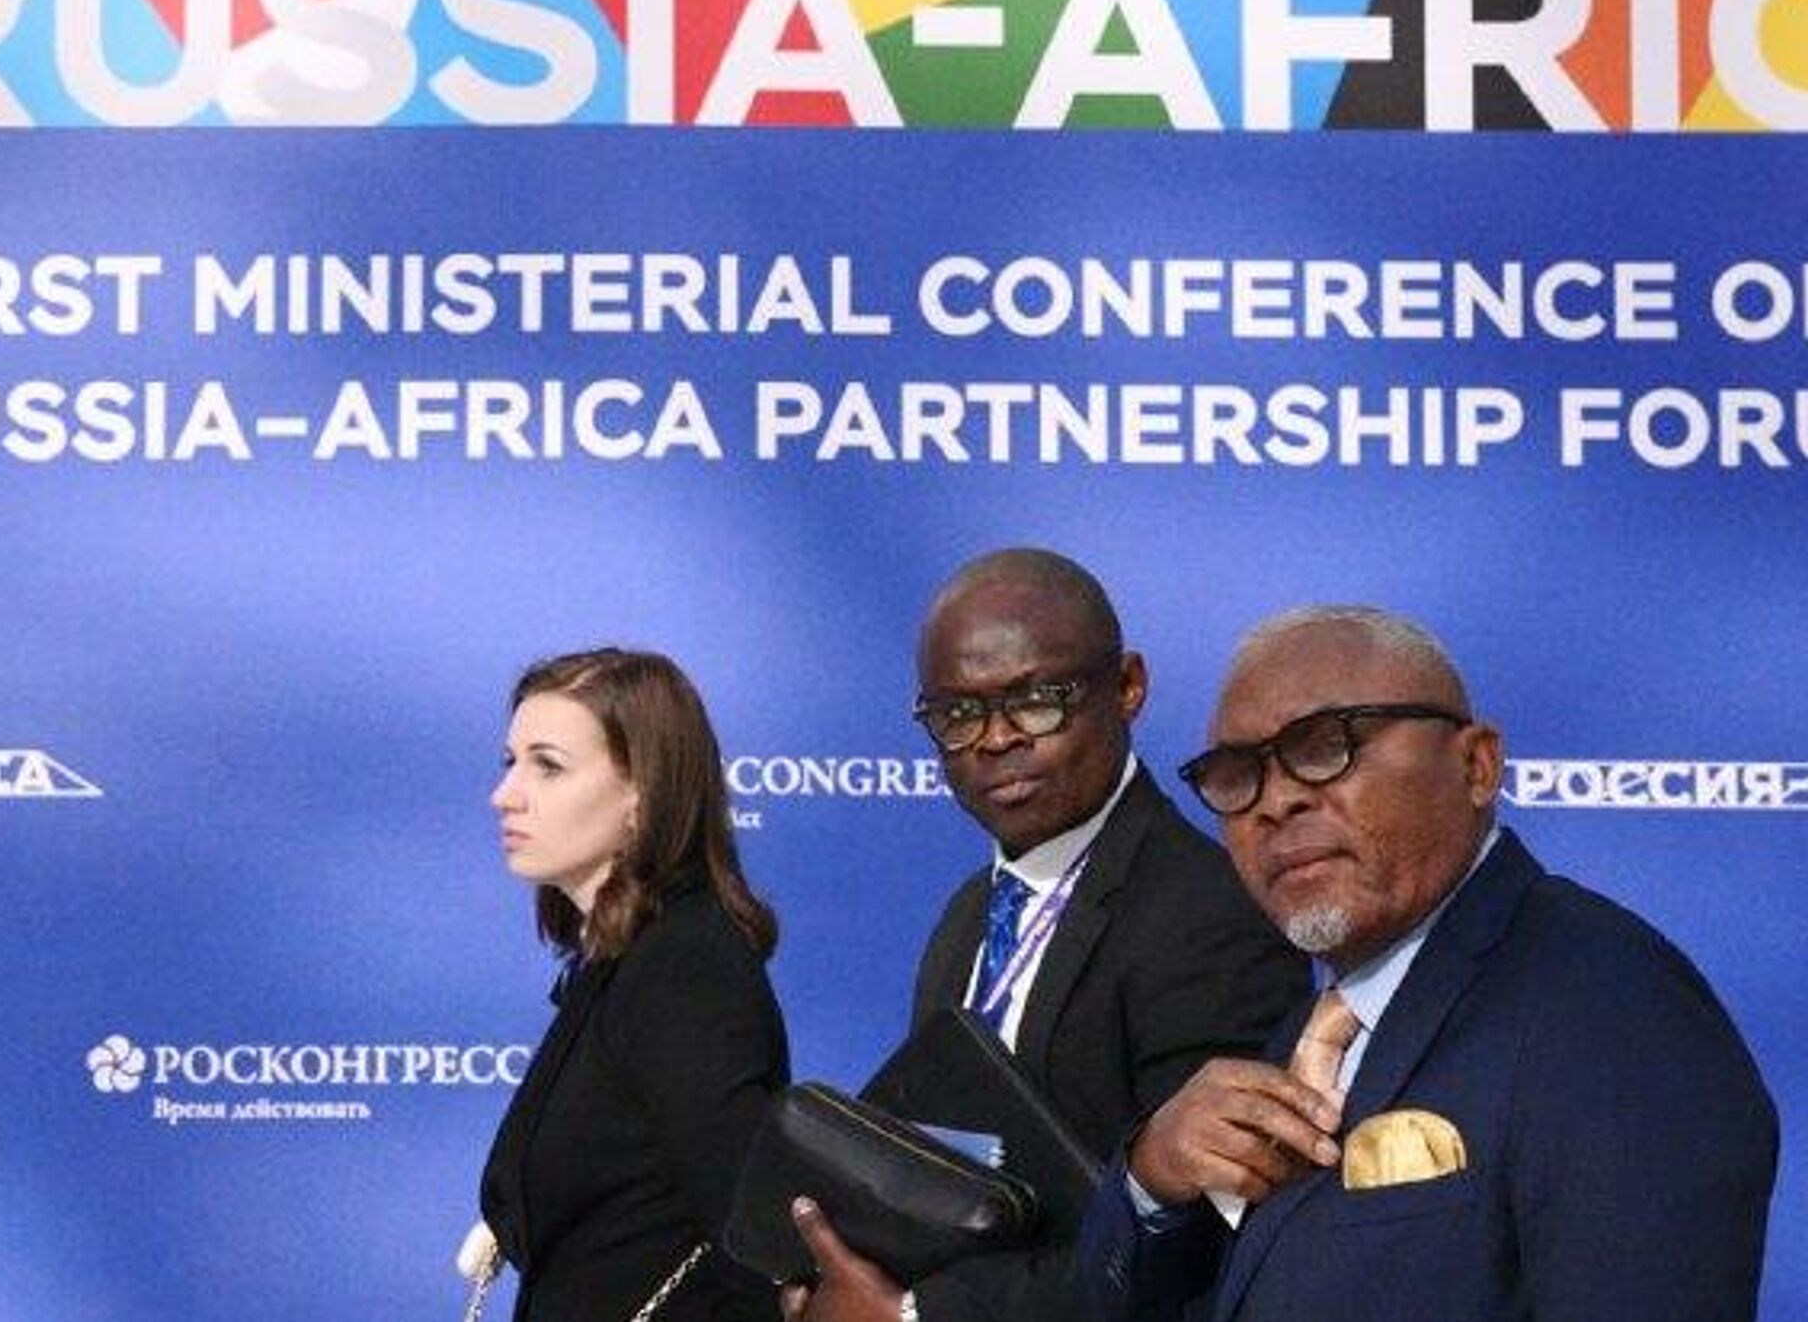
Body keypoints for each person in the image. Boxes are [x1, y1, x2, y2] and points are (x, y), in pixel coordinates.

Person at [1077, 605, 1779, 1322]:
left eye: (1326, 746)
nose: (1276, 801)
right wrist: (1151, 1182)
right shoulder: (1308, 1035)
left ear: (1477, 765)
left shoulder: (1608, 1005)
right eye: (1236, 774)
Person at [785, 549, 1309, 1322]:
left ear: (1128, 687)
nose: (996, 739)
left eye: (1035, 701)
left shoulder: (1210, 912)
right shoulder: (968, 916)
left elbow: (1199, 1231)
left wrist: (914, 1315)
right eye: (957, 715)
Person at [479, 648, 789, 1322]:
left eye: (548, 766)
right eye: (510, 762)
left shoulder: (684, 968)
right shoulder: (619, 959)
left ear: (643, 794)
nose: (505, 795)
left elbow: (754, 1248)